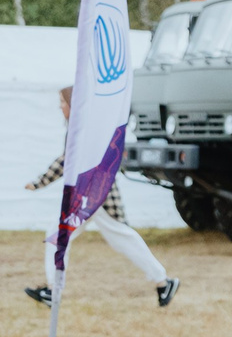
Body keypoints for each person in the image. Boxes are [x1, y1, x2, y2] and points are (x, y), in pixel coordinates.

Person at [21, 87, 178, 309]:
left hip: (94, 197)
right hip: (93, 197)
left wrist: (39, 182)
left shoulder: (82, 130)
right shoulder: (84, 127)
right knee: (120, 239)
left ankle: (53, 291)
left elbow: (67, 160)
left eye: (62, 102)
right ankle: (163, 281)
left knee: (60, 237)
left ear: (73, 104)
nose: (60, 107)